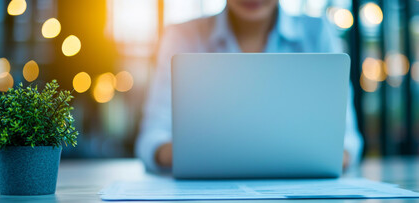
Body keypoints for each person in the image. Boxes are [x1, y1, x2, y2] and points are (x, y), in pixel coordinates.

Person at [136, 0, 363, 173]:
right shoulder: (182, 36)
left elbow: (348, 141)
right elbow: (152, 137)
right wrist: (187, 156)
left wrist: (333, 156)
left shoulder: (317, 33)